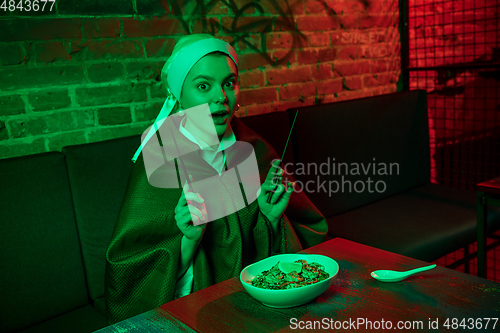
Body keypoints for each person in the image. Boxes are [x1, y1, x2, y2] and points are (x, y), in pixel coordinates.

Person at [104, 33, 327, 325]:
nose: (220, 97)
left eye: (229, 83)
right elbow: (130, 273)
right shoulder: (158, 156)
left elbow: (297, 239)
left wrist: (271, 219)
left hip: (258, 303)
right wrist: (188, 240)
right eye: (203, 86)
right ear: (178, 95)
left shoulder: (254, 148)